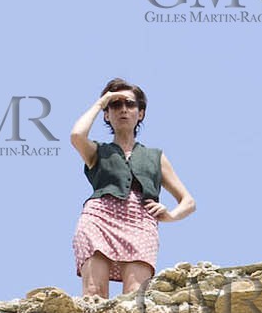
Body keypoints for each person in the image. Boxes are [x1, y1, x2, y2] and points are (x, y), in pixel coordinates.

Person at [69, 78, 195, 298]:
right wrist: (101, 103)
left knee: (135, 297)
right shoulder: (97, 151)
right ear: (107, 115)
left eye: (130, 104)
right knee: (93, 294)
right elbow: (77, 135)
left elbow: (188, 201)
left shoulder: (155, 156)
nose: (123, 109)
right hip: (99, 219)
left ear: (141, 113)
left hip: (141, 222)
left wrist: (170, 215)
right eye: (115, 105)